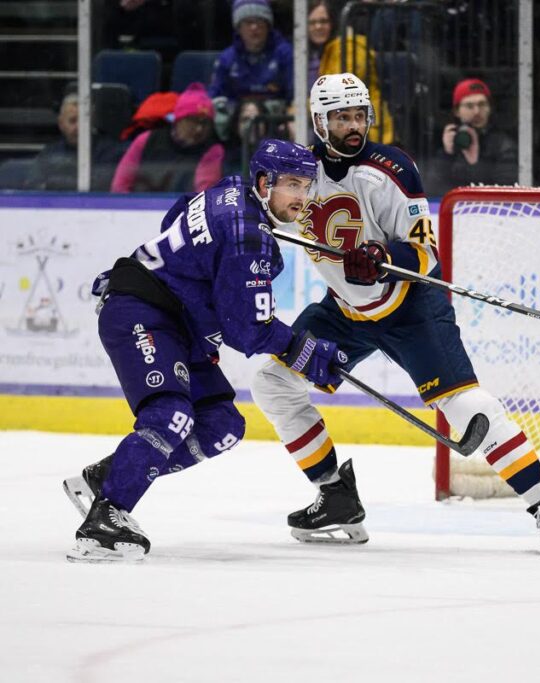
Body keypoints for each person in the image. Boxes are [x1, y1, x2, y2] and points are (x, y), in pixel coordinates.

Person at [249, 73, 540, 555]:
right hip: (344, 312)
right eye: (341, 117)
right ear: (319, 122)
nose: (353, 126)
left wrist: (384, 256)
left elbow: (426, 254)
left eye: (359, 115)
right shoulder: (301, 171)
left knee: (465, 405)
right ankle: (335, 495)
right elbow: (267, 205)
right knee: (272, 382)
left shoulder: (390, 169)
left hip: (410, 307)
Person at [62, 139, 349, 562]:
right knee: (170, 416)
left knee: (221, 424)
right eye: (293, 185)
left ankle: (109, 476)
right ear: (265, 183)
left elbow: (177, 214)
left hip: (178, 324)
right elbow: (247, 330)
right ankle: (105, 520)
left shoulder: (230, 191)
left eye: (307, 187)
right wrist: (306, 353)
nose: (302, 197)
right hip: (141, 311)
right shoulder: (247, 234)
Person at [111, 82, 224, 193]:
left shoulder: (212, 150)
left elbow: (204, 194)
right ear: (178, 120)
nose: (199, 129)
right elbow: (120, 185)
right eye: (192, 121)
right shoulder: (146, 140)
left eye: (205, 123)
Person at [208, 0, 293, 127]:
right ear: (239, 28)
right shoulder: (227, 58)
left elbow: (295, 95)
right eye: (248, 22)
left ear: (268, 25)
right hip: (237, 119)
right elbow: (215, 95)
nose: (254, 27)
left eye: (259, 21)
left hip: (277, 119)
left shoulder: (285, 54)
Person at [24, 92, 122, 191]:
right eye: (72, 121)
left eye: (83, 121)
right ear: (61, 124)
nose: (79, 127)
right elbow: (33, 187)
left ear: (92, 122)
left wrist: (55, 183)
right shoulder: (50, 154)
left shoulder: (111, 152)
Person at [438, 77, 517, 191]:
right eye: (469, 106)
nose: (476, 112)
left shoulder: (504, 146)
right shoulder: (448, 142)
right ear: (457, 111)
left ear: (490, 108)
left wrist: (474, 164)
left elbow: (505, 190)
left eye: (482, 104)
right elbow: (431, 190)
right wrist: (447, 154)